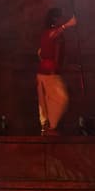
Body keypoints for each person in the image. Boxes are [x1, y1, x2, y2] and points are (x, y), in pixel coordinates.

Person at [36, 8, 77, 136]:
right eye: (61, 17)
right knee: (60, 99)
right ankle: (51, 126)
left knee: (47, 100)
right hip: (48, 72)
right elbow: (52, 37)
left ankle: (47, 126)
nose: (62, 19)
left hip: (47, 71)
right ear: (55, 19)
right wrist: (67, 25)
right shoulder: (50, 33)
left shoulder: (50, 34)